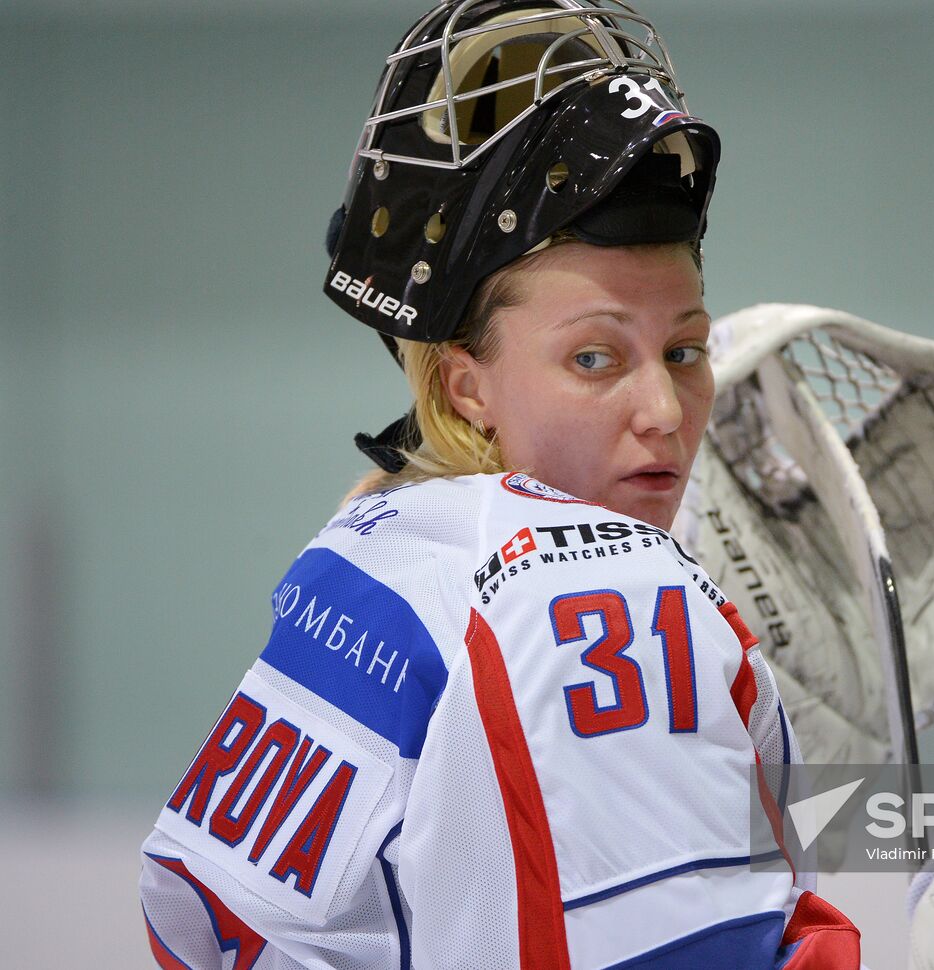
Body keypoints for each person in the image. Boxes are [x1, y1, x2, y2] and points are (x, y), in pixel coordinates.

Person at [137, 2, 861, 967]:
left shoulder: (367, 548)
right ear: (463, 382)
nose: (665, 409)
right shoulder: (612, 596)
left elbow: (191, 922)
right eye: (596, 358)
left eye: (685, 348)